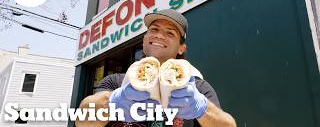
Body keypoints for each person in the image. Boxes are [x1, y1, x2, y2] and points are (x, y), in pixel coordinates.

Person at [76, 9, 236, 127]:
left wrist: (202, 109)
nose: (159, 35)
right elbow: (81, 121)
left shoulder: (197, 88)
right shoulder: (116, 82)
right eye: (154, 30)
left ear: (181, 48)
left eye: (170, 33)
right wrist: (112, 102)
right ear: (144, 40)